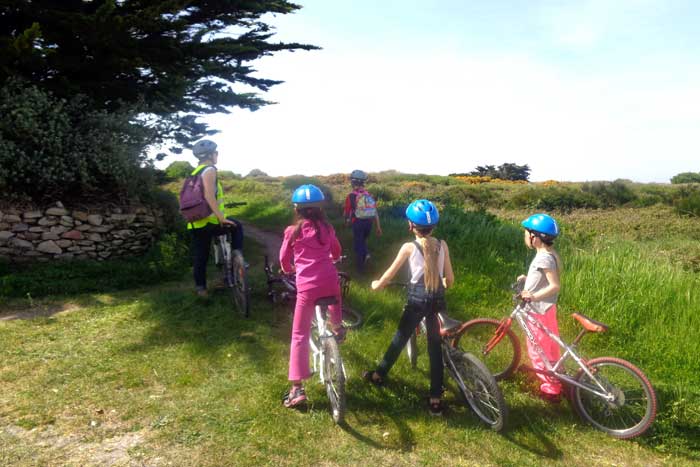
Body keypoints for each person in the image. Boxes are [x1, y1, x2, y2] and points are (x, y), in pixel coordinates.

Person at [363, 199, 455, 416]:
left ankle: (379, 375)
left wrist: (377, 285)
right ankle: (435, 399)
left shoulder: (409, 247)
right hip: (437, 301)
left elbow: (388, 275)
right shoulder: (443, 245)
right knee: (435, 348)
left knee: (400, 337)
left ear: (410, 225)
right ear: (434, 226)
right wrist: (442, 283)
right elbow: (449, 280)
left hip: (417, 301)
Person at [280, 184, 345, 408]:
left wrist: (288, 269)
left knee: (299, 334)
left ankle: (297, 388)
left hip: (307, 287)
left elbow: (283, 259)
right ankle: (337, 327)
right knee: (335, 295)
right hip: (329, 280)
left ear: (297, 209)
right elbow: (336, 251)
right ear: (320, 208)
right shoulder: (327, 228)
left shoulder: (292, 231)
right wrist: (332, 257)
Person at [187, 139, 244, 297]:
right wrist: (221, 217)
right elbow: (209, 196)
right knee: (237, 226)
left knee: (201, 256)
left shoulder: (194, 172)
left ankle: (201, 289)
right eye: (216, 153)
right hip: (210, 221)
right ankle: (237, 261)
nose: (217, 155)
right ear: (211, 155)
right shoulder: (210, 169)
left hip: (195, 223)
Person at [518, 213, 563, 402]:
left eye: (526, 232)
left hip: (537, 311)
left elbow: (554, 285)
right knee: (551, 346)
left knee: (538, 350)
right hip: (547, 309)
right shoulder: (548, 254)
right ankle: (558, 375)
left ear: (535, 237)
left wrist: (532, 295)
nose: (525, 236)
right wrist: (528, 281)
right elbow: (544, 280)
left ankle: (550, 390)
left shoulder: (543, 258)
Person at [343, 169, 382, 273]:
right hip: (368, 223)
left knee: (358, 244)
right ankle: (366, 255)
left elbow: (347, 212)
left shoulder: (351, 196)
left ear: (353, 182)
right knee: (362, 241)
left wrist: (347, 221)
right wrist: (378, 227)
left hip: (358, 222)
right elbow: (375, 212)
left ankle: (360, 268)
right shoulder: (368, 195)